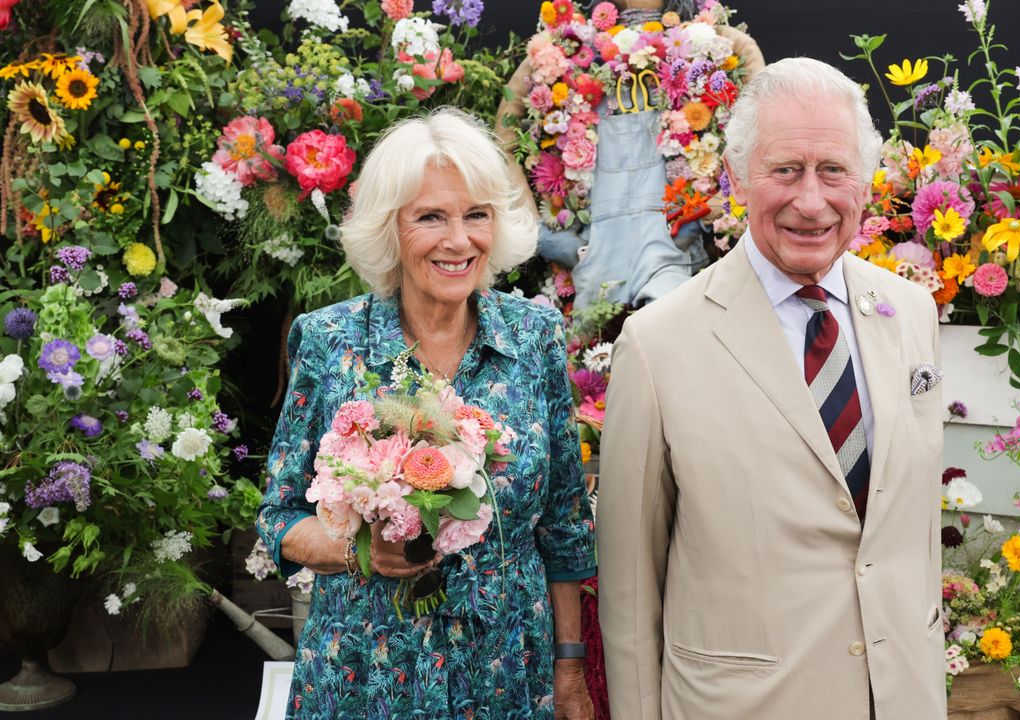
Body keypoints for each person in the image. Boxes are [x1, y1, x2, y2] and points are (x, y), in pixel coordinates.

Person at [597, 58, 946, 719]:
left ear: (867, 184)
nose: (811, 201)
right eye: (785, 170)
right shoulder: (657, 345)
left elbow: (905, 535)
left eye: (833, 170)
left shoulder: (912, 313)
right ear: (737, 179)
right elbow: (629, 589)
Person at [256, 108, 597, 720]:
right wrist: (357, 549)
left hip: (507, 675)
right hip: (366, 674)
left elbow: (564, 524)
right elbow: (280, 518)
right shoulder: (329, 341)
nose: (458, 240)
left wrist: (570, 670)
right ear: (391, 228)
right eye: (431, 217)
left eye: (476, 215)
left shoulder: (535, 337)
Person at [495, 0, 764, 306]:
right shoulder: (563, 49)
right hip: (594, 253)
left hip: (676, 249)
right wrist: (539, 233)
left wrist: (716, 211)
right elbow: (503, 139)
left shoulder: (717, 44)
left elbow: (764, 135)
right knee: (593, 344)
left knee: (670, 339)